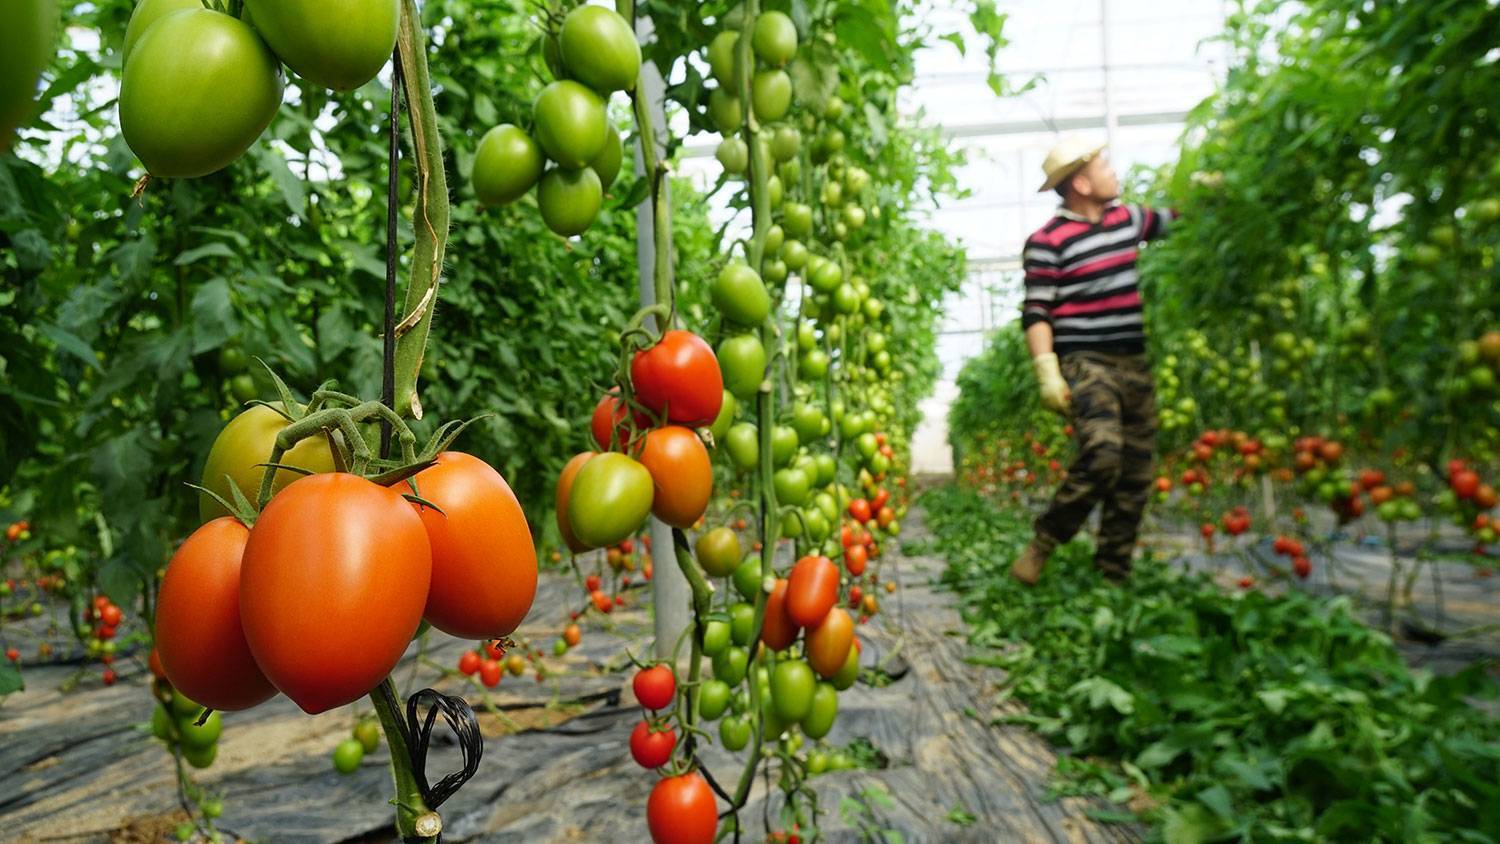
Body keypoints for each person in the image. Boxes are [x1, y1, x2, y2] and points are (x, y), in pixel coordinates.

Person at [1010, 136, 1175, 584]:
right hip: (1086, 362)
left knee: (1136, 475)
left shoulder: (1129, 220)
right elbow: (1037, 310)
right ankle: (1044, 542)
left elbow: (1178, 223)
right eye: (1105, 166)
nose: (1114, 173)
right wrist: (1047, 370)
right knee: (1103, 454)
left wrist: (1209, 192)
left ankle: (1112, 576)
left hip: (1133, 364)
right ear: (1081, 182)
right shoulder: (1047, 241)